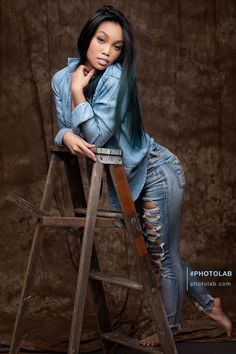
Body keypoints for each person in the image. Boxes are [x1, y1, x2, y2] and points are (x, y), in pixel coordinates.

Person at [51, 5, 232, 347]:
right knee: (163, 256)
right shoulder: (61, 78)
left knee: (162, 257)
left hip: (156, 170)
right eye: (101, 40)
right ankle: (211, 304)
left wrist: (78, 93)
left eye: (117, 46)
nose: (108, 51)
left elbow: (97, 137)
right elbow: (64, 127)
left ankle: (171, 330)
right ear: (86, 38)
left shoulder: (115, 78)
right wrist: (64, 136)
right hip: (128, 175)